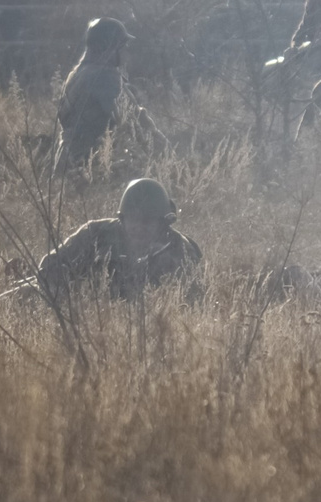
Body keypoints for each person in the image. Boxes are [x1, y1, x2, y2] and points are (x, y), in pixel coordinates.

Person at [35, 177, 203, 305]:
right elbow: (49, 267)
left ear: (162, 223)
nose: (139, 227)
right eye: (133, 219)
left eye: (147, 221)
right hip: (85, 311)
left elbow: (193, 301)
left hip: (148, 323)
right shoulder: (97, 232)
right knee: (25, 293)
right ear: (122, 218)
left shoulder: (180, 250)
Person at [54, 18, 130, 174]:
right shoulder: (105, 77)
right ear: (109, 47)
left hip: (64, 162)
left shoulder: (77, 73)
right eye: (122, 46)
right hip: (90, 165)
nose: (125, 51)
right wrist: (166, 149)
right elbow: (131, 120)